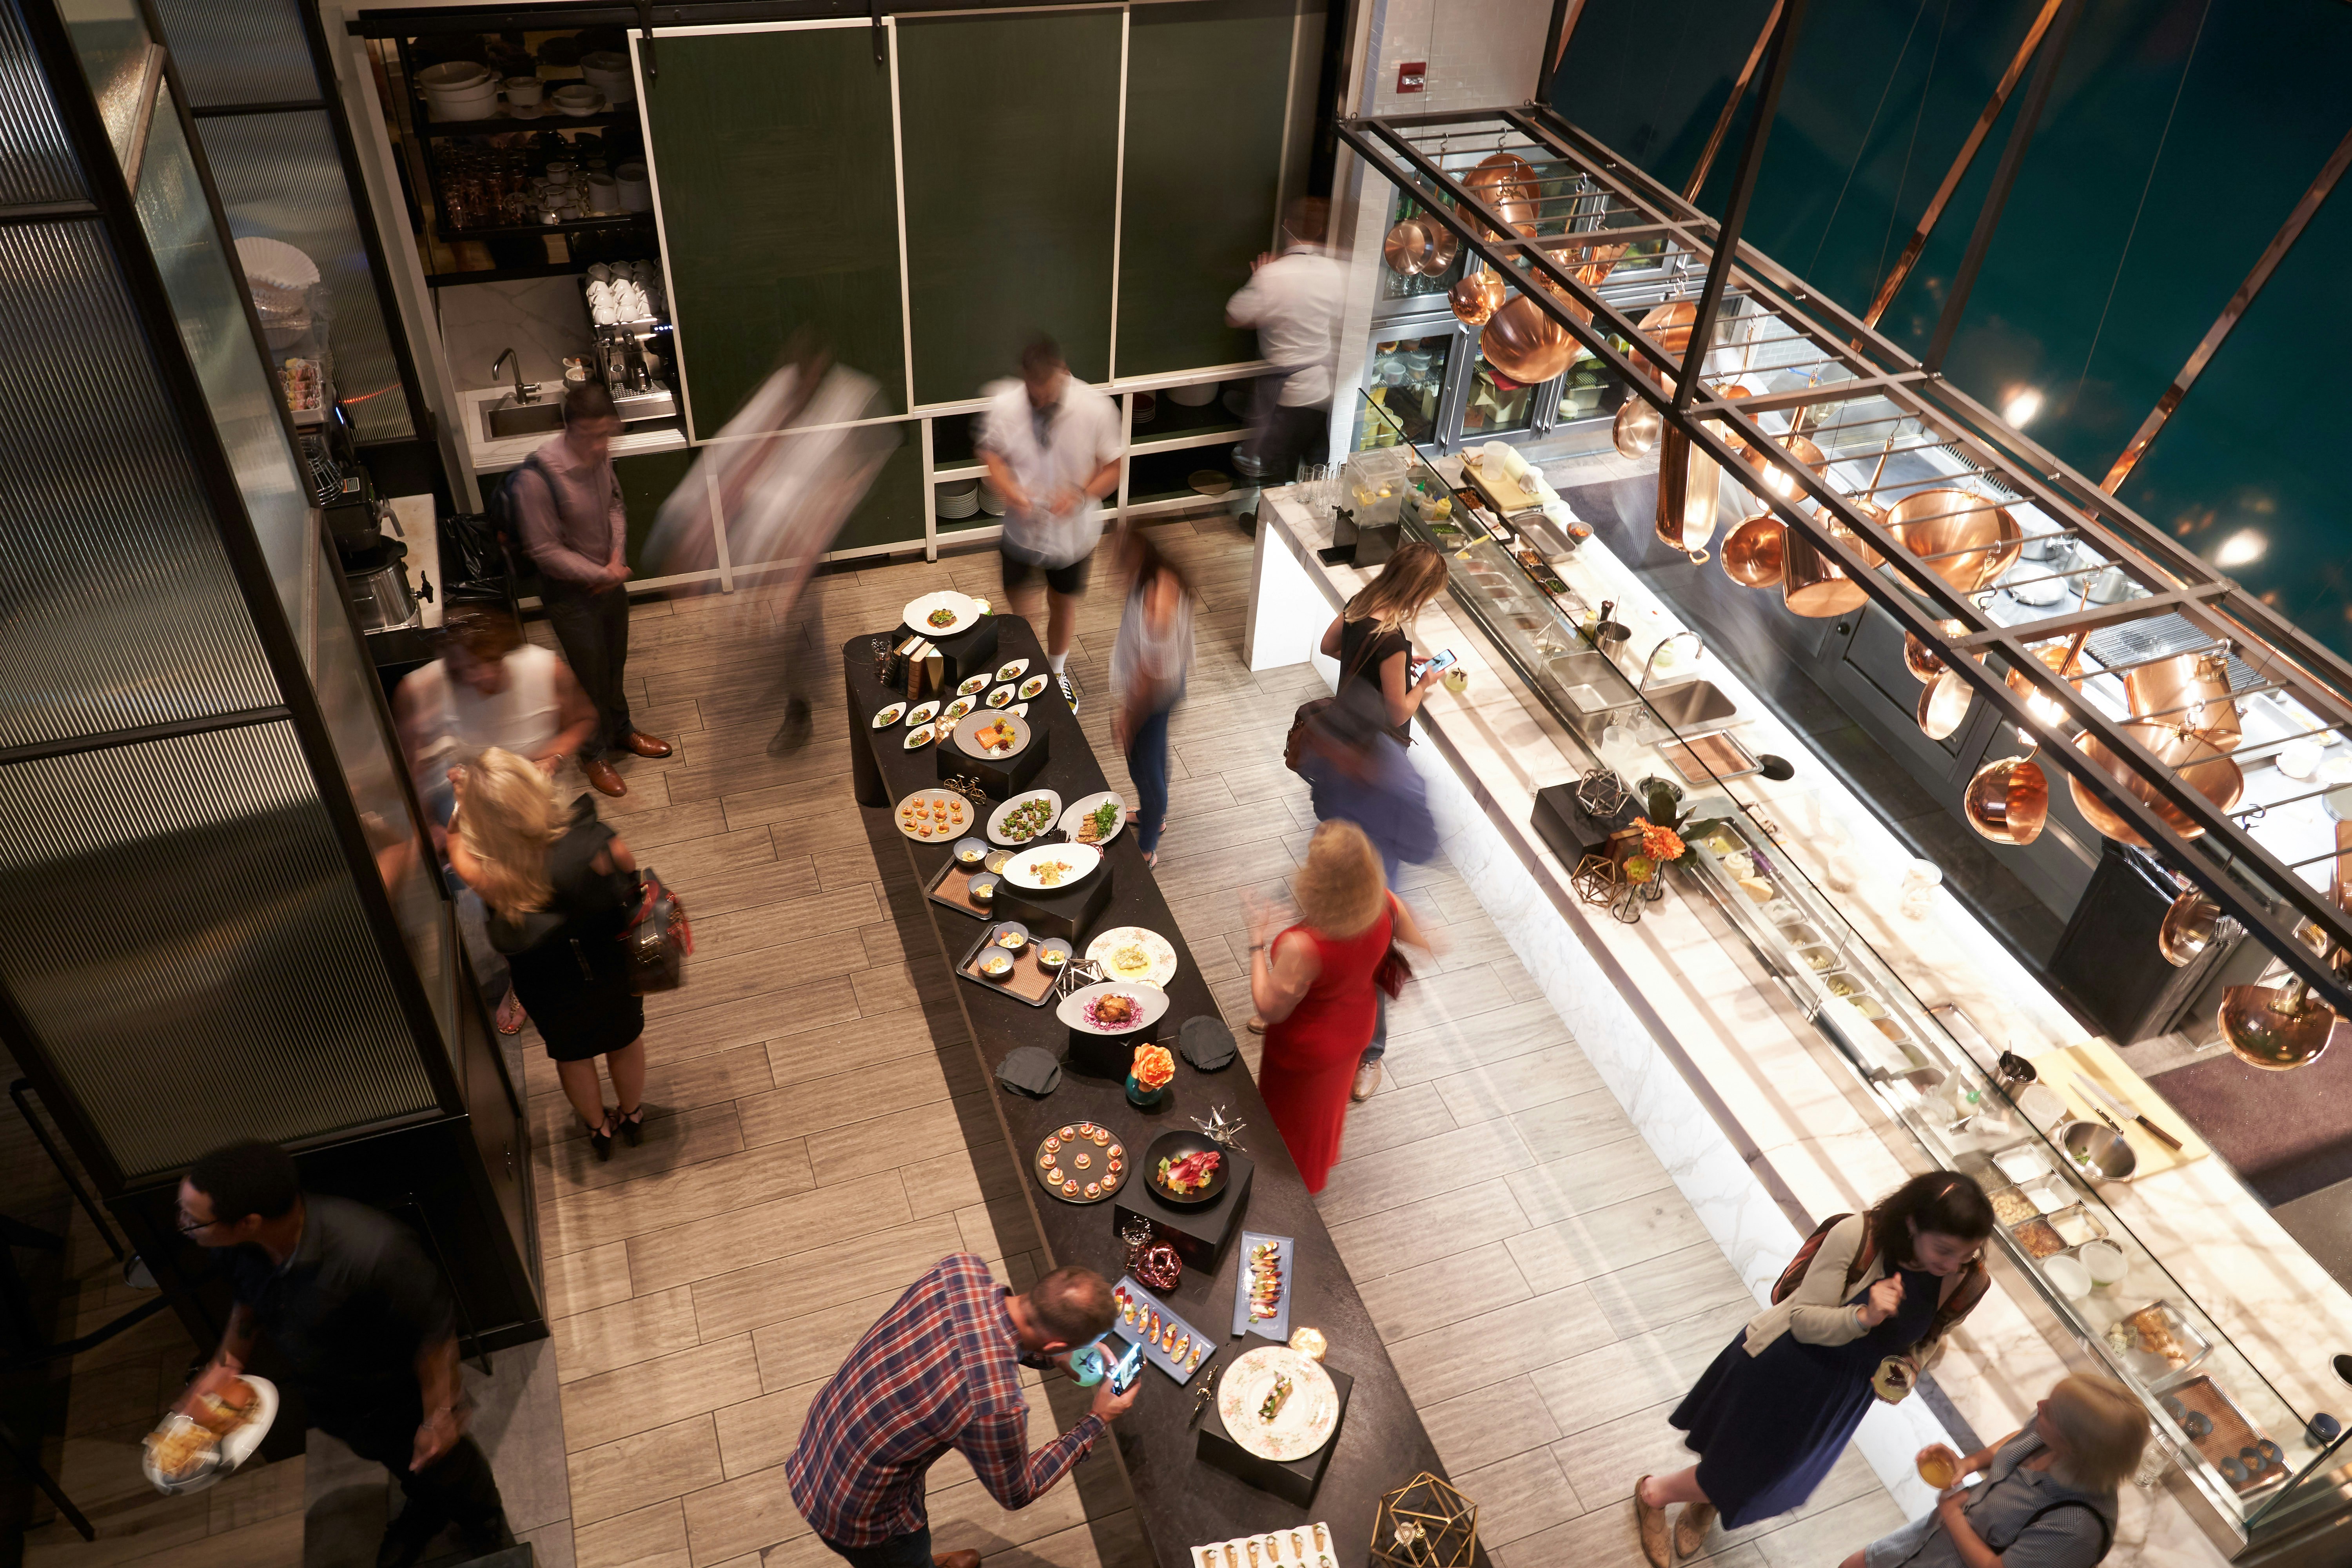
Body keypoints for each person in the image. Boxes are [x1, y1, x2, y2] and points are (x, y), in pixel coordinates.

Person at [1634, 1174, 1997, 1568]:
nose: (1952, 1264)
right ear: (1912, 1222)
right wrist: (1864, 1316)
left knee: (1773, 1473)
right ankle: (1654, 1493)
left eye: (1965, 1254)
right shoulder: (1859, 1235)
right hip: (1786, 1365)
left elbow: (1931, 1335)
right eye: (1943, 1250)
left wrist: (1911, 1364)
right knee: (1743, 1466)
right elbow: (1804, 1320)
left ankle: (1706, 1497)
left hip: (1845, 1393)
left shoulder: (1966, 1278)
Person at [177, 1141, 509, 1568]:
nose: (184, 1225)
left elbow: (436, 1336)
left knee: (448, 1466)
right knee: (400, 1463)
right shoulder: (233, 1246)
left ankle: (485, 1521)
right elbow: (248, 1301)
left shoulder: (375, 1251)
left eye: (193, 1219)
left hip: (397, 1395)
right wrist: (226, 1364)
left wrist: (439, 1415)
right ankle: (427, 1507)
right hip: (333, 1396)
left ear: (248, 1221)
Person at [787, 1254, 1136, 1568]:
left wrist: (1053, 1355)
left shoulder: (960, 1271)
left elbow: (987, 1335)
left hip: (824, 1431)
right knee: (904, 1556)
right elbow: (1018, 1492)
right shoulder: (996, 1404)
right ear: (1059, 1343)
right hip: (856, 1509)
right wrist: (1097, 1419)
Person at [646, 333, 896, 754]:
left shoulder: (848, 400)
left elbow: (850, 480)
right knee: (791, 623)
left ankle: (801, 704)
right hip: (776, 531)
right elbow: (738, 456)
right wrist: (697, 538)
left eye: (807, 376)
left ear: (820, 371)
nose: (800, 384)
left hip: (807, 534)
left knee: (798, 621)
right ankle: (805, 684)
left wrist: (800, 559)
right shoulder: (780, 393)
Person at [394, 603, 599, 1035]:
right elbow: (406, 766)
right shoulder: (422, 688)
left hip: (536, 812)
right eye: (464, 670)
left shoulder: (543, 669)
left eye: (488, 666)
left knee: (550, 895)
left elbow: (584, 718)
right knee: (497, 908)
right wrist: (424, 822)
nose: (478, 679)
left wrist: (553, 757)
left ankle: (558, 963)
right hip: (472, 822)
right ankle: (520, 977)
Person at [447, 748, 647, 1161]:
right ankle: (633, 1115)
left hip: (549, 988)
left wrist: (461, 805)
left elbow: (455, 848)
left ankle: (598, 1129)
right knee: (625, 1041)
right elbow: (630, 875)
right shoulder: (595, 843)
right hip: (612, 968)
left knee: (572, 1055)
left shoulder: (493, 877)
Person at [1245, 821, 1427, 1192]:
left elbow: (1270, 1009)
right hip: (1356, 1025)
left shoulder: (1303, 946)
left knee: (1293, 1115)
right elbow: (1424, 941)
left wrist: (1256, 943)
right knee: (1324, 1112)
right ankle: (1317, 1166)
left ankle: (1286, 1179)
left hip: (1307, 1046)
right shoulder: (1387, 904)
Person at [514, 380, 670, 795]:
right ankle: (594, 755)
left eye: (607, 435)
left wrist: (616, 556)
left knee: (615, 662)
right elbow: (543, 549)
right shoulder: (539, 476)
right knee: (588, 676)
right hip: (570, 594)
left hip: (609, 577)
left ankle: (621, 730)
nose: (603, 445)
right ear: (570, 429)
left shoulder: (601, 455)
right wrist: (600, 575)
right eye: (592, 436)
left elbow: (615, 505)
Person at [1294, 682, 1440, 1100]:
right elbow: (1320, 795)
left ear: (1364, 750)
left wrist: (1377, 850)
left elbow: (1424, 846)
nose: (1331, 755)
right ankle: (1294, 1003)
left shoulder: (1402, 786)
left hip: (1375, 894)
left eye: (1341, 751)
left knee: (1371, 974)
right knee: (1311, 945)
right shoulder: (1331, 747)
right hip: (1328, 870)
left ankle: (1370, 1055)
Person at [1841, 1374, 2146, 1568]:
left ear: (2075, 1444)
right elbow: (2019, 1439)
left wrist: (1952, 1514)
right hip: (1927, 1540)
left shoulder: (2075, 1528)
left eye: (2052, 1412)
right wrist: (1969, 1463)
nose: (2040, 1405)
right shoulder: (2049, 1434)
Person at [977, 337, 1123, 713]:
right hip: (1021, 528)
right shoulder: (1004, 403)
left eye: (1047, 395)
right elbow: (991, 452)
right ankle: (1027, 670)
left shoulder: (1097, 408)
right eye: (1033, 395)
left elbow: (1114, 468)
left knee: (1062, 602)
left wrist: (1079, 495)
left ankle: (1057, 672)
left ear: (1064, 372)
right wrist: (1010, 489)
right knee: (1020, 607)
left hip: (1072, 535)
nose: (1039, 403)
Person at [1226, 197, 1346, 535]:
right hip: (1321, 389)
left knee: (1278, 472)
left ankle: (1267, 530)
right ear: (1321, 231)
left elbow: (1235, 315)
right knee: (1313, 463)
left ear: (1287, 228)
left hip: (1286, 394)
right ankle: (1316, 529)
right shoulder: (1333, 271)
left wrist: (1262, 277)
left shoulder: (1273, 275)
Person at [1110, 528, 1194, 868]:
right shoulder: (1155, 576)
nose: (1114, 568)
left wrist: (1128, 719)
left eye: (1120, 560)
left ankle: (1147, 847)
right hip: (1161, 687)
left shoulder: (1158, 603)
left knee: (1143, 764)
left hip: (1153, 695)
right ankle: (1153, 814)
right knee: (1154, 754)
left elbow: (1151, 674)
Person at [1318, 540, 1452, 746]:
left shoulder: (1360, 602)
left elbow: (1328, 646)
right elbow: (1398, 715)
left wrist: (1390, 667)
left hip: (1345, 725)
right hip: (1372, 745)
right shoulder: (1393, 644)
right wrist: (1425, 683)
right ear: (1419, 593)